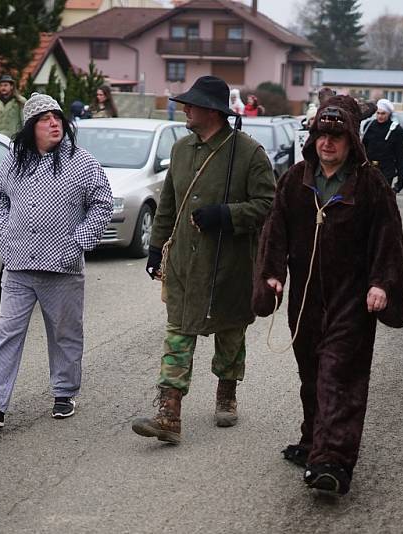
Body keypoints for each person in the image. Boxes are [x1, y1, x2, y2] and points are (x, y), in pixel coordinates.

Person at [252, 96, 403, 494]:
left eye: (337, 136)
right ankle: (312, 441)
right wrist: (272, 274)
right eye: (322, 134)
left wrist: (380, 283)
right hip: (305, 298)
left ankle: (332, 462)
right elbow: (275, 230)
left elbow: (387, 239)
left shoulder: (370, 185)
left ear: (352, 139)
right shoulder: (296, 179)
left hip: (351, 299)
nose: (327, 143)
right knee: (312, 375)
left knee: (339, 376)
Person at [131, 76, 276, 444]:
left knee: (230, 333)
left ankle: (226, 392)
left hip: (229, 264)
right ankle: (169, 414)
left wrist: (226, 215)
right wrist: (155, 248)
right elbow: (168, 204)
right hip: (184, 263)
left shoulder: (249, 153)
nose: (185, 109)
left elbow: (267, 205)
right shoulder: (181, 150)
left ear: (211, 111)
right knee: (178, 332)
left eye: (191, 104)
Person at [0, 93, 114, 429]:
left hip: (62, 267)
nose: (53, 123)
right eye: (45, 118)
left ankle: (64, 393)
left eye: (57, 117)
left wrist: (78, 242)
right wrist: (0, 230)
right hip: (17, 265)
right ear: (31, 127)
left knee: (65, 334)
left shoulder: (82, 162)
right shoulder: (14, 160)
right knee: (7, 333)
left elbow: (103, 204)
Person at [361, 98, 403, 193]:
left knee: (382, 197)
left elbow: (400, 154)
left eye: (383, 114)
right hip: (369, 168)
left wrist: (401, 177)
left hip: (386, 170)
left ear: (389, 114)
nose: (380, 116)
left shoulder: (396, 130)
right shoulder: (369, 126)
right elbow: (362, 148)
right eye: (378, 113)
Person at [0, 74, 26, 139]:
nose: (3, 88)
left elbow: (23, 121)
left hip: (14, 139)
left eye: (5, 85)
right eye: (1, 85)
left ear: (11, 86)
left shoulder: (20, 101)